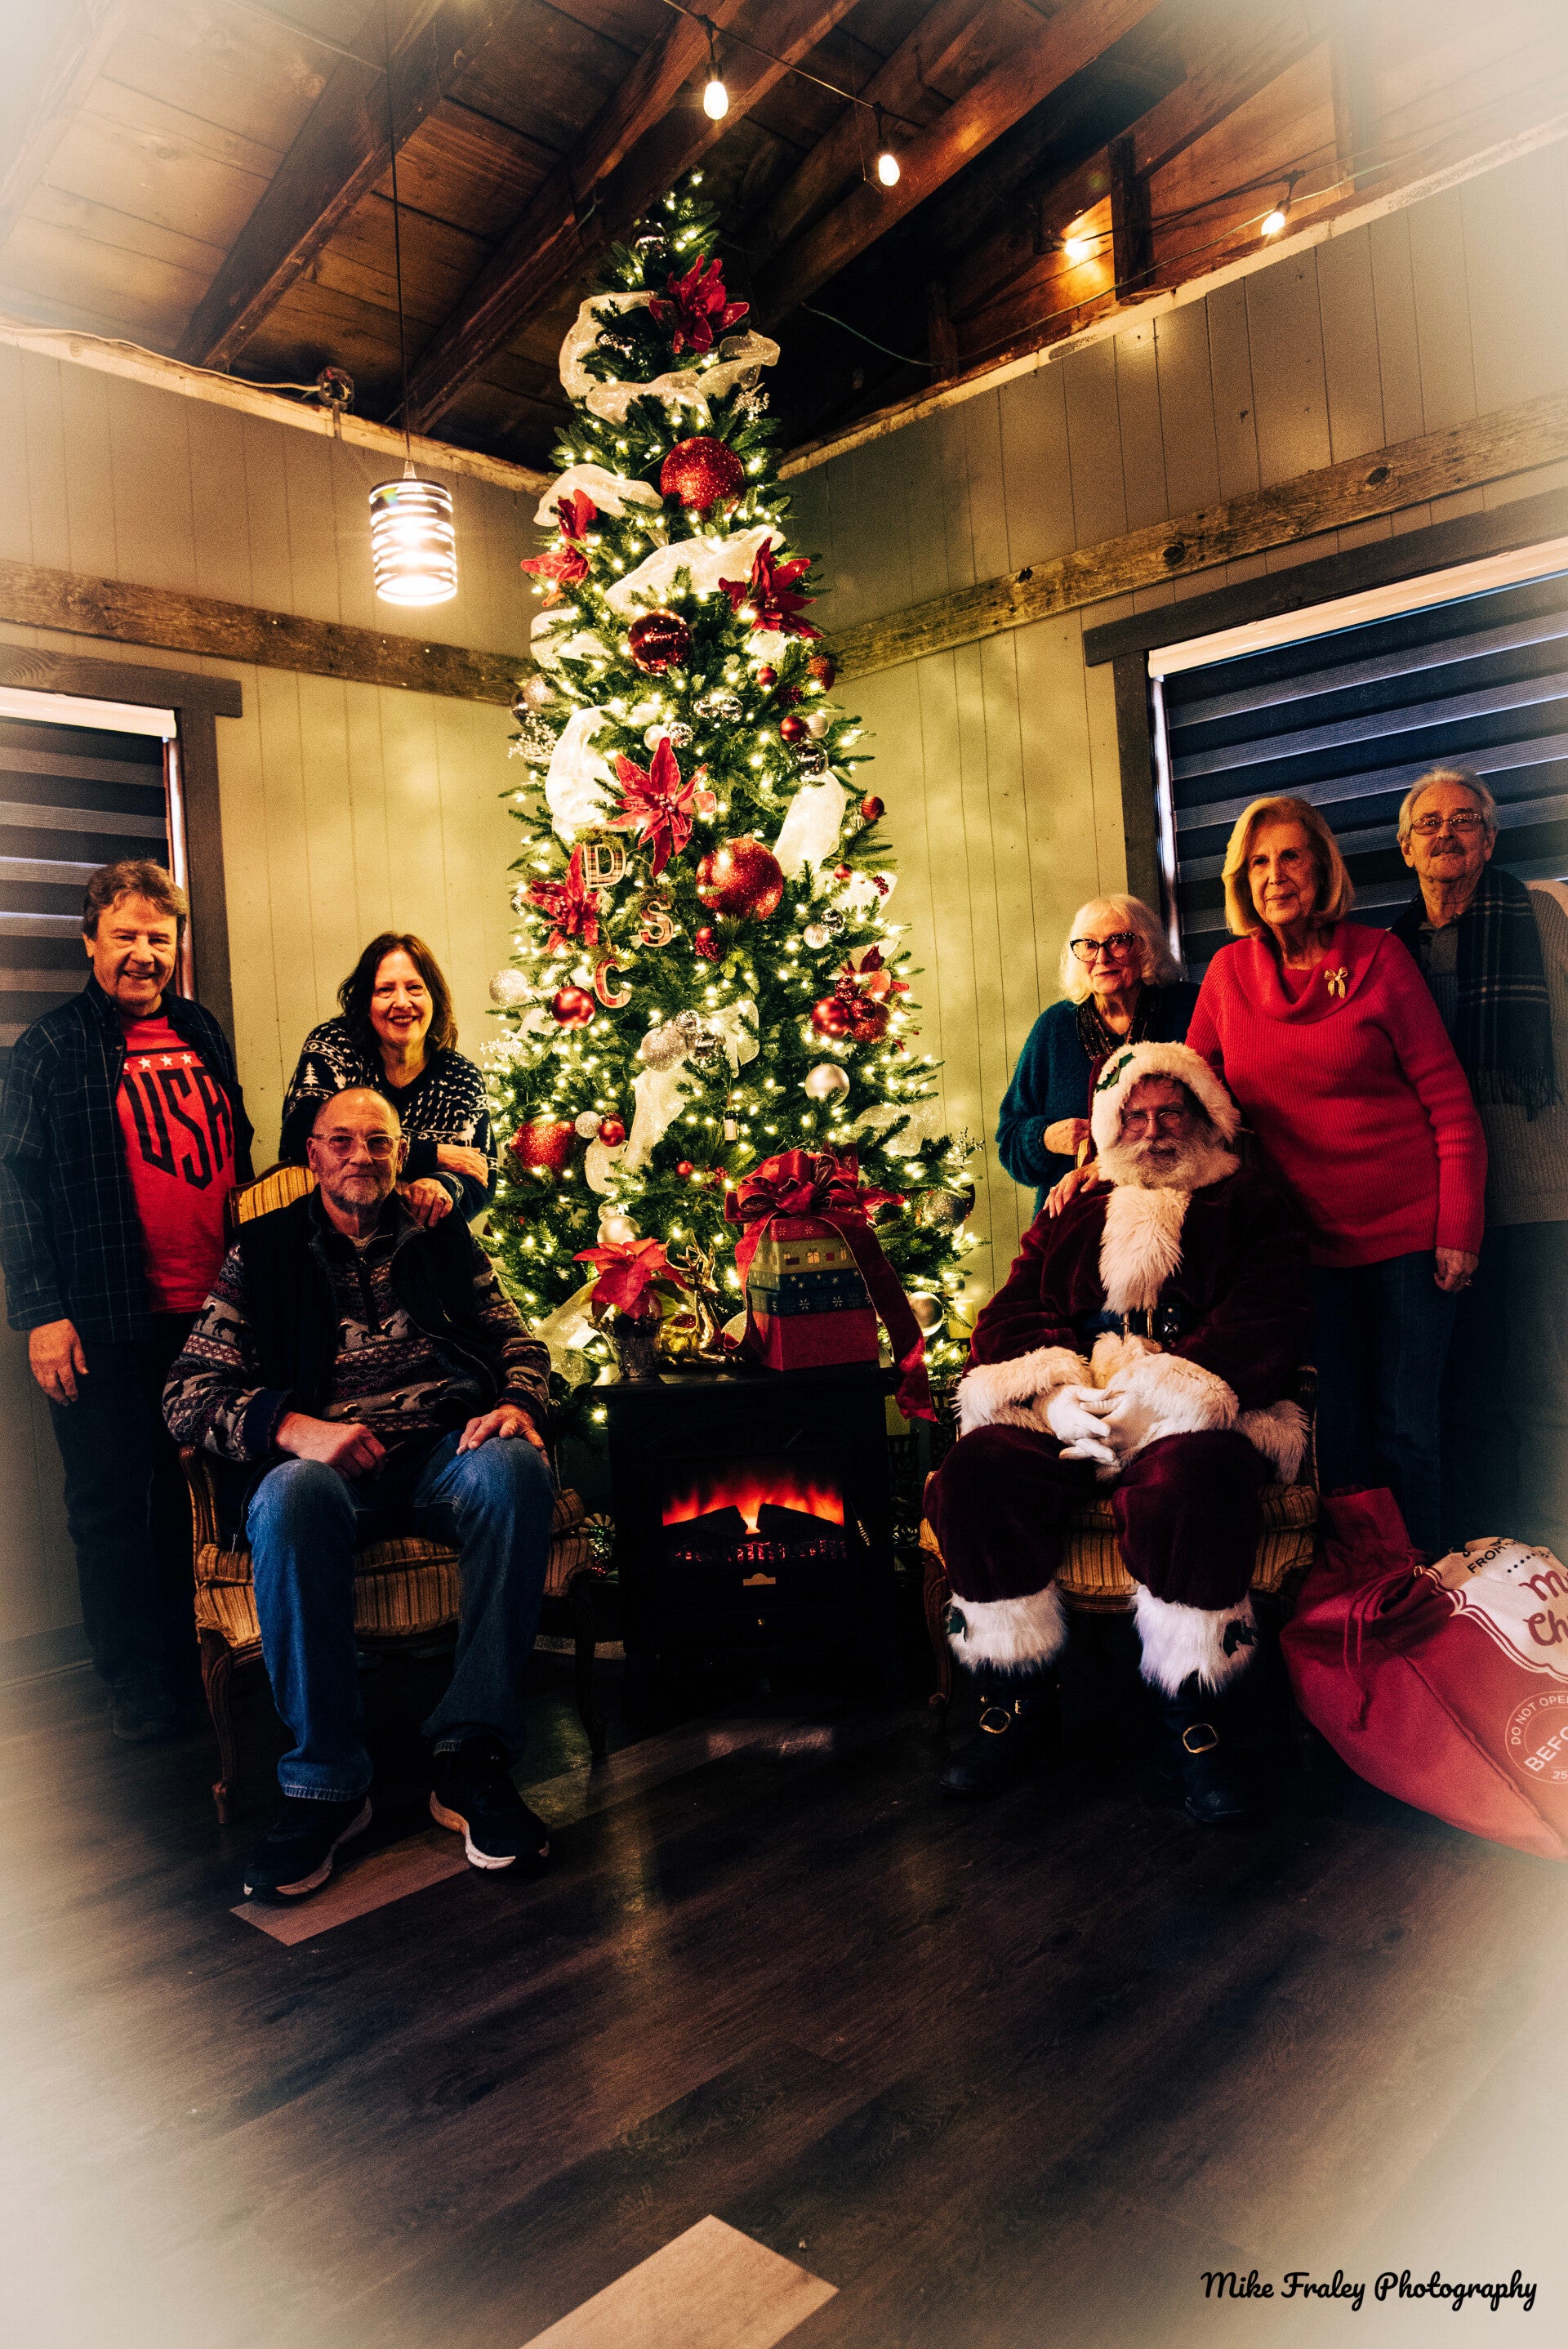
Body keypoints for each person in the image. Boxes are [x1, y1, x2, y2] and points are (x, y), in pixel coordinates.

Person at [163, 1087, 555, 1901]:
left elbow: (517, 1339)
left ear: (400, 1153)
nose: (360, 1156)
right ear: (313, 1155)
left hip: (442, 1455)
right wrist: (291, 1426)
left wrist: (518, 1401)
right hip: (327, 1470)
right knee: (289, 1499)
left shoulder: (440, 1237)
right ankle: (326, 1783)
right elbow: (186, 1392)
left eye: (378, 1142)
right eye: (340, 1141)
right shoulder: (263, 1251)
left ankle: (471, 1754)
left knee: (516, 1468)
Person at [929, 1043, 1310, 1823]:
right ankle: (1015, 1702)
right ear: (1111, 1126)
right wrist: (1055, 1395)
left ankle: (1193, 1719)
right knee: (979, 1473)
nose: (1154, 1130)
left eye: (1171, 1112)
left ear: (1205, 1118)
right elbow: (1008, 1314)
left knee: (1189, 1486)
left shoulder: (1250, 1204)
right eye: (1135, 1116)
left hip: (1194, 1409)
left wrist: (1161, 1395)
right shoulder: (1075, 1206)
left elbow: (1268, 1321)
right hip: (1077, 1404)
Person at [1184, 794, 1485, 1557]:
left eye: (1291, 856)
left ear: (1321, 868)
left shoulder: (1380, 959)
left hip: (1408, 1236)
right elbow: (1185, 1096)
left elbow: (1450, 1104)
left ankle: (1425, 1583)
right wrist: (1102, 1153)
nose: (1275, 875)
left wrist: (1459, 1229)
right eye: (1259, 862)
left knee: (1406, 1428)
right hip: (1302, 1245)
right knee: (1336, 1433)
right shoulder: (1227, 974)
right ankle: (1365, 1587)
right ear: (1242, 882)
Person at [0, 860, 253, 1741]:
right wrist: (41, 1314)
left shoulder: (200, 1028)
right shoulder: (50, 1048)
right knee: (111, 1508)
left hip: (211, 1318)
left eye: (159, 936)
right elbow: (14, 1187)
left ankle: (200, 1660)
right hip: (103, 1322)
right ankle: (136, 1683)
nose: (144, 953)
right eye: (125, 936)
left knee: (202, 1500)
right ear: (89, 942)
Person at [1391, 766, 1568, 1556]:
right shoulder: (1391, 951)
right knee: (1462, 1394)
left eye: (1464, 819)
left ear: (1490, 840)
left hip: (1545, 1193)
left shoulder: (1542, 917)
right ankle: (1489, 1558)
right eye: (1428, 824)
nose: (1446, 834)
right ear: (1405, 849)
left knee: (1548, 1386)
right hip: (1442, 1213)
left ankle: (1556, 1550)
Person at [996, 895, 1199, 1213]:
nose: (1102, 957)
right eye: (1088, 945)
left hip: (1180, 1210)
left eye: (1118, 942)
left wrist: (1109, 1166)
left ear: (1146, 947)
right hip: (1076, 1218)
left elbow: (1220, 1119)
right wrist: (1045, 1139)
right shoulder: (1055, 1026)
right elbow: (1010, 1140)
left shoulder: (1190, 1008)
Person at [279, 933, 495, 1218]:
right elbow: (300, 1136)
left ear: (434, 997)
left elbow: (483, 1175)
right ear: (365, 1002)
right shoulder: (333, 1046)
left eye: (415, 988)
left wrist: (442, 1185)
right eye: (385, 990)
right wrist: (432, 1155)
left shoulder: (461, 1077)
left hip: (420, 1232)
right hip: (329, 1226)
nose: (402, 1002)